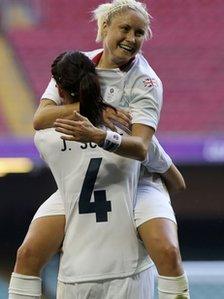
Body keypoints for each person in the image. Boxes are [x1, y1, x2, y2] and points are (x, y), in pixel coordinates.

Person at [9, 1, 190, 298]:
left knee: (167, 249)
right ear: (105, 27)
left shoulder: (145, 82)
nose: (132, 38)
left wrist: (98, 135)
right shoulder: (75, 66)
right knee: (28, 253)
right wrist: (94, 109)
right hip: (85, 175)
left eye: (139, 32)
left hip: (136, 178)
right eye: (125, 29)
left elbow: (142, 147)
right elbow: (40, 118)